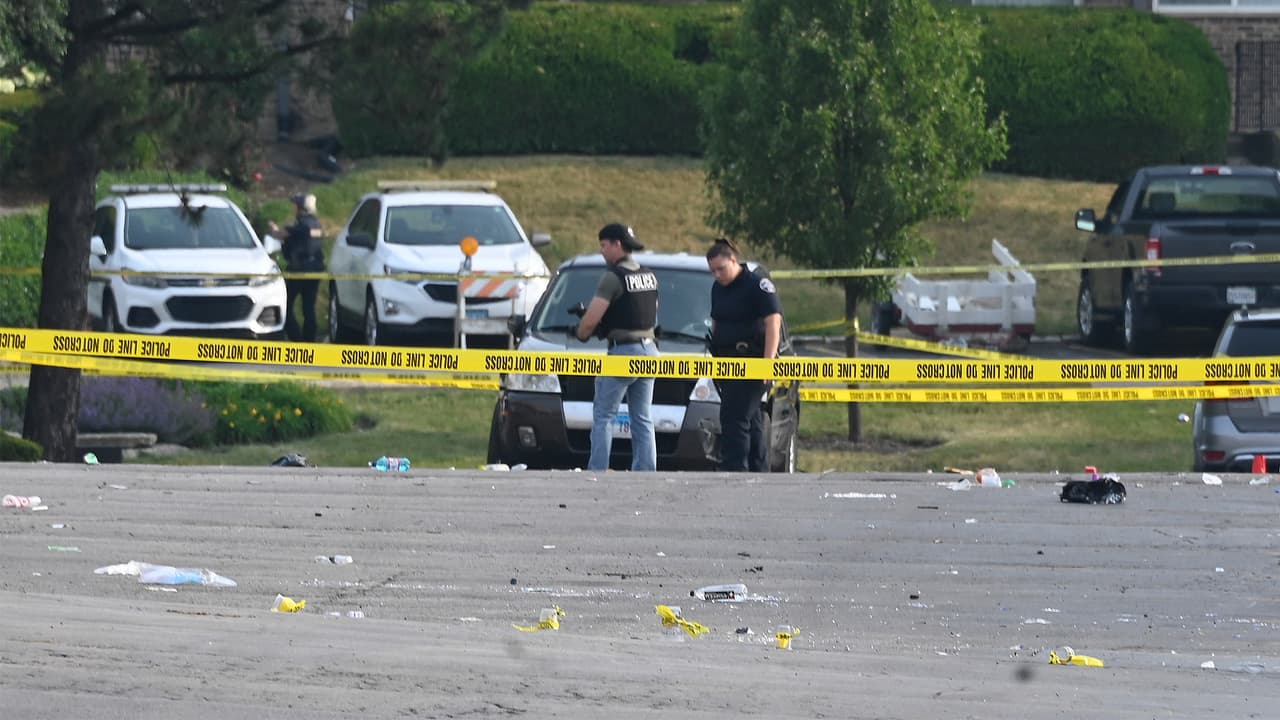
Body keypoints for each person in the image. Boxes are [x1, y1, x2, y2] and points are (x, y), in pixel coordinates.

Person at [574, 223, 660, 472]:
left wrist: (581, 332)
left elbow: (591, 318)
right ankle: (646, 472)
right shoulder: (648, 274)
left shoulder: (613, 276)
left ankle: (598, 471)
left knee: (604, 415)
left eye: (603, 245)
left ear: (617, 245)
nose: (601, 251)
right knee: (643, 417)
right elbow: (646, 313)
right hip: (650, 350)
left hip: (624, 352)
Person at [706, 238, 783, 472]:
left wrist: (767, 364)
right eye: (713, 271)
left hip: (753, 360)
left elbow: (773, 322)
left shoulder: (756, 284)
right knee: (752, 418)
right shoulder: (718, 288)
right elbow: (717, 321)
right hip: (727, 363)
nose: (717, 275)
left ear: (734, 260)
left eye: (721, 268)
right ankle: (759, 470)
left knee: (734, 416)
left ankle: (734, 470)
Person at [269, 193, 325, 342]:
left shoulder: (301, 226)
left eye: (295, 206)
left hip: (298, 271)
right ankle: (309, 342)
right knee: (308, 308)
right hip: (315, 270)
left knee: (285, 304)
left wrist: (273, 228)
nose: (294, 209)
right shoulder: (317, 225)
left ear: (301, 209)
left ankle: (296, 339)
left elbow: (279, 235)